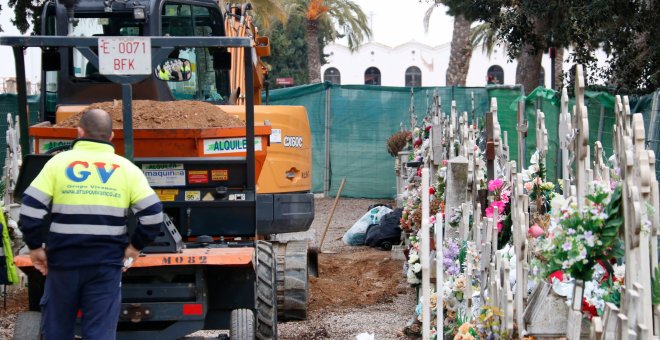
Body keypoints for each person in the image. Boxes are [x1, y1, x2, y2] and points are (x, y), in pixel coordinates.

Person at [19, 109, 163, 339]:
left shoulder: (58, 163)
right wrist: (134, 247)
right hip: (105, 265)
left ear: (79, 132)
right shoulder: (127, 169)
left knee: (56, 331)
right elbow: (154, 215)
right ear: (111, 136)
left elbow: (29, 209)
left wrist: (36, 248)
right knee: (99, 333)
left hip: (63, 263)